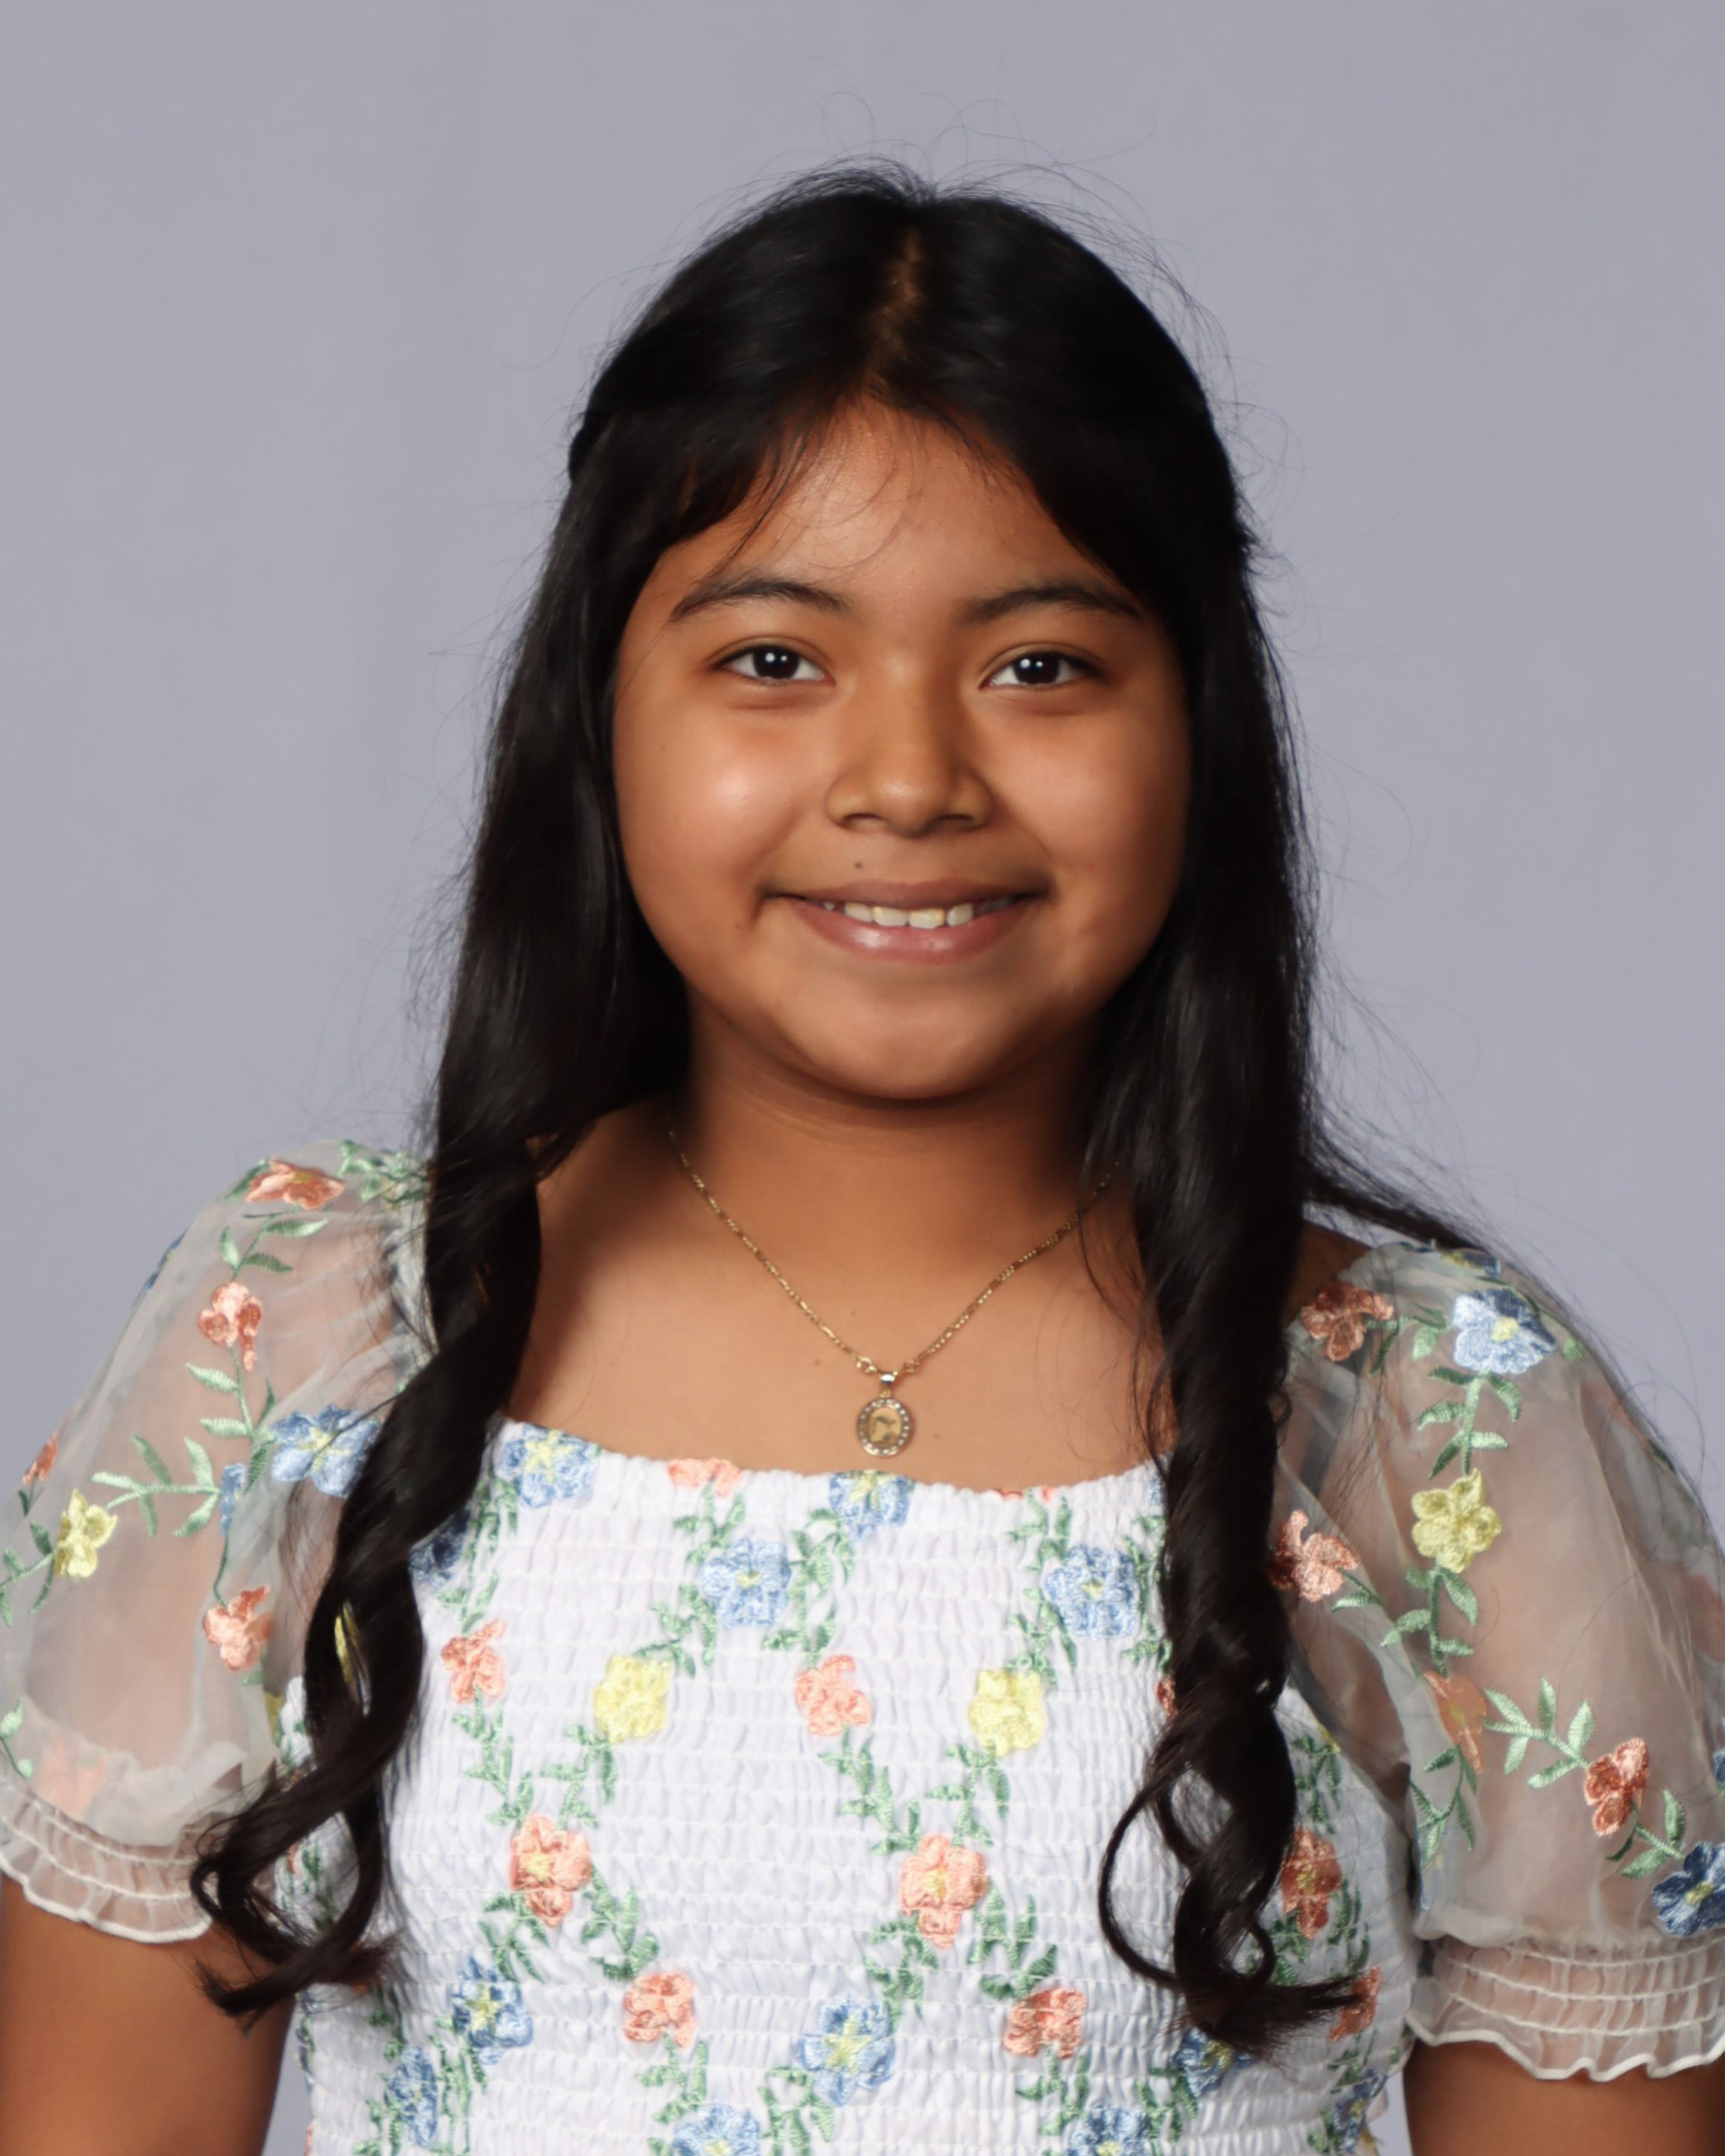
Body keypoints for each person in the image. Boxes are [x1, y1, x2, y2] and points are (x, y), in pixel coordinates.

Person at [1, 166, 1722, 2156]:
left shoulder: (1436, 1432)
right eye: (773, 661)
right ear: (598, 713)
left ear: (1200, 726)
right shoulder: (305, 1351)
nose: (909, 780)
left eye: (1040, 666)